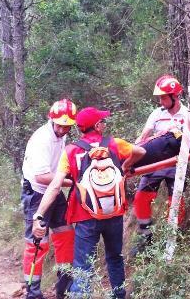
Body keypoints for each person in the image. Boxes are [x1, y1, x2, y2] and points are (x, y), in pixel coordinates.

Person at [32, 107, 145, 298]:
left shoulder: (71, 151)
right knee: (115, 258)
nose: (104, 124)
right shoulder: (114, 144)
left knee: (83, 265)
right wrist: (125, 166)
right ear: (97, 126)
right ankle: (119, 295)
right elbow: (140, 151)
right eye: (103, 121)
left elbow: (55, 186)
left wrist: (39, 214)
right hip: (114, 214)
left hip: (85, 217)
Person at [21, 99, 77, 299]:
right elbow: (41, 177)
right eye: (60, 124)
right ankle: (33, 292)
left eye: (67, 125)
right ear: (51, 120)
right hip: (37, 192)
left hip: (53, 190)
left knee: (66, 234)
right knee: (38, 242)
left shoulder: (59, 135)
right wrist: (71, 181)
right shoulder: (42, 139)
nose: (63, 129)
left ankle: (64, 286)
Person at [131, 75, 190, 255]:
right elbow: (142, 138)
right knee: (141, 198)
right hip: (155, 165)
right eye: (159, 97)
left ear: (175, 96)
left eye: (163, 97)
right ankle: (145, 237)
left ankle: (172, 237)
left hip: (176, 164)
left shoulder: (187, 114)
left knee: (175, 202)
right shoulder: (156, 114)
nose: (160, 100)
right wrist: (133, 153)